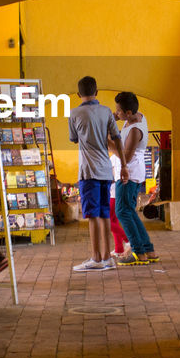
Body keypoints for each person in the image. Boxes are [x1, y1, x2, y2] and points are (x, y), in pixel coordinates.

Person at [68, 76, 124, 272]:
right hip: (105, 170)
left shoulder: (75, 113)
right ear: (97, 92)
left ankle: (96, 258)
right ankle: (108, 256)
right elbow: (116, 139)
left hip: (88, 171)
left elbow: (74, 138)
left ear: (78, 94)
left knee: (92, 215)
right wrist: (123, 166)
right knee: (105, 214)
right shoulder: (107, 111)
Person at [112, 91, 157, 265]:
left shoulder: (134, 130)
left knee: (122, 211)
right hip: (132, 173)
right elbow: (117, 115)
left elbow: (126, 157)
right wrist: (113, 118)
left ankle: (138, 252)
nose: (117, 113)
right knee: (129, 211)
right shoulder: (137, 117)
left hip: (127, 174)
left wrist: (108, 142)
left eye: (119, 111)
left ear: (128, 113)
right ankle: (148, 250)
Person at [108, 152, 128, 256]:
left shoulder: (117, 157)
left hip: (114, 191)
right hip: (114, 190)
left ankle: (128, 240)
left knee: (107, 220)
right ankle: (119, 248)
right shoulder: (113, 157)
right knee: (113, 220)